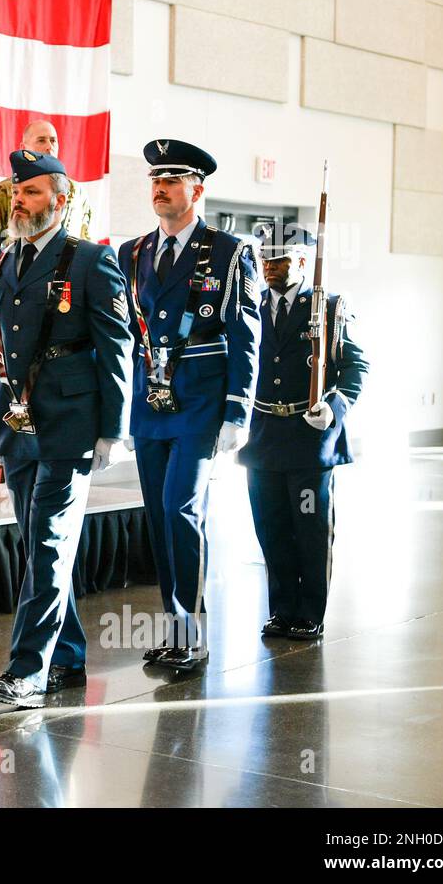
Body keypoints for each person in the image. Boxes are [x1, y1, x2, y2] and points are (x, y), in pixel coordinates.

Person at [0, 149, 134, 707]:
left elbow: (117, 345)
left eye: (33, 192)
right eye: (18, 192)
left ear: (60, 202)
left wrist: (114, 428)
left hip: (71, 423)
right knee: (34, 542)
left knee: (48, 543)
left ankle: (27, 672)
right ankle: (66, 654)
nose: (20, 200)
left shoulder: (90, 261)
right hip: (17, 426)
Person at [116, 139, 260, 670]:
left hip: (200, 402)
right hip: (151, 402)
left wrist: (237, 409)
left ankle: (194, 633)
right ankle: (174, 629)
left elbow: (246, 336)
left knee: (182, 507)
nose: (161, 189)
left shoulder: (229, 252)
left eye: (173, 181)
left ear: (197, 190)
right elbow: (125, 334)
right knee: (157, 513)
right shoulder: (131, 252)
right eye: (156, 180)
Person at [238, 222, 368, 640]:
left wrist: (333, 408)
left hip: (310, 439)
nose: (268, 267)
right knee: (271, 528)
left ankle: (310, 612)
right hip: (264, 438)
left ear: (300, 261)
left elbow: (355, 367)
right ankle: (282, 610)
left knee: (310, 530)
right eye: (263, 259)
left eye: (277, 260)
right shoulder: (251, 305)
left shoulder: (328, 308)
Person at [0, 120, 91, 252]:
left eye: (53, 141)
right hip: (18, 266)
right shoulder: (4, 190)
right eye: (41, 140)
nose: (49, 146)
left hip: (67, 268)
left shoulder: (78, 192)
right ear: (23, 147)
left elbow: (85, 239)